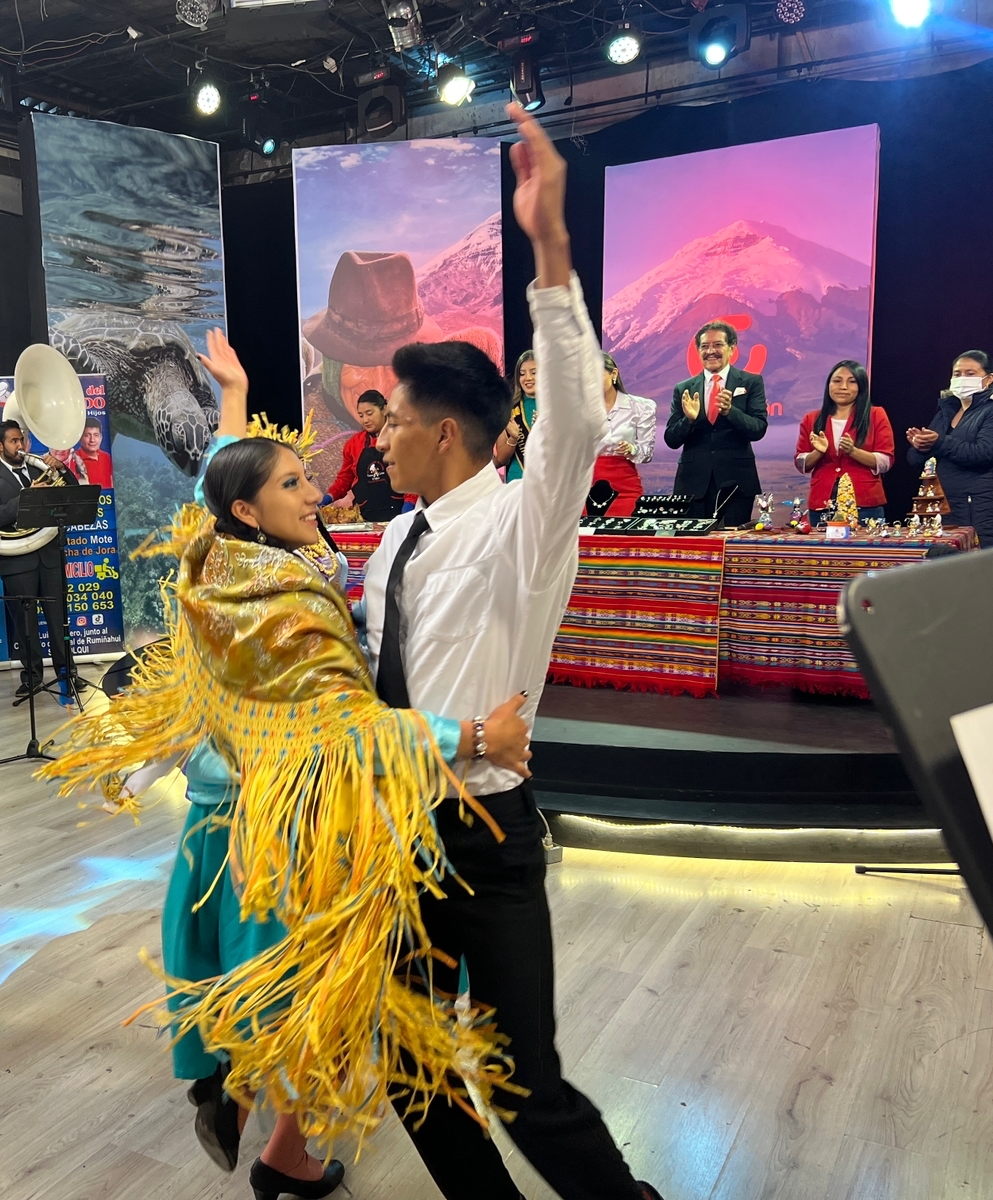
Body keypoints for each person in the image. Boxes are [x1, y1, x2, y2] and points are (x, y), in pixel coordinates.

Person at [41, 324, 535, 1198]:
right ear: (251, 510)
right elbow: (346, 730)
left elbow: (216, 487)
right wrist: (473, 739)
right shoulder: (281, 605)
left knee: (314, 991)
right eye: (295, 483)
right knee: (324, 994)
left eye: (310, 478)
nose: (318, 493)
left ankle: (279, 1148)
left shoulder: (224, 563)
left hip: (241, 816)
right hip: (281, 830)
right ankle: (246, 1107)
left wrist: (234, 404)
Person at [366, 101, 662, 1200]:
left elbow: (574, 427)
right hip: (396, 833)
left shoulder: (519, 530)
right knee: (407, 1058)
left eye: (394, 421)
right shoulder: (392, 539)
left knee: (520, 1081)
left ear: (445, 431)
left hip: (485, 835)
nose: (378, 437)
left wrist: (550, 250)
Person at [0, 419, 76, 701]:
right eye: (13, 441)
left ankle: (67, 674)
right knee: (25, 624)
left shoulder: (40, 469)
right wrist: (27, 496)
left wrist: (62, 469)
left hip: (49, 556)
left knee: (59, 620)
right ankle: (32, 678)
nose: (20, 445)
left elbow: (72, 494)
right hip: (17, 561)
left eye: (22, 440)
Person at [905, 350, 993, 548]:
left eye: (970, 373)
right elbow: (917, 460)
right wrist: (920, 446)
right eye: (957, 374)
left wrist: (939, 442)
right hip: (944, 508)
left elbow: (985, 453)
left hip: (983, 509)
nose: (962, 378)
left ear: (989, 379)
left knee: (981, 565)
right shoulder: (947, 411)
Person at [663, 320, 768, 527]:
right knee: (693, 544)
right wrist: (689, 420)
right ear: (698, 350)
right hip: (693, 483)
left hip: (736, 482)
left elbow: (758, 429)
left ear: (732, 348)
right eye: (705, 346)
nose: (711, 351)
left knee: (732, 542)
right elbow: (671, 439)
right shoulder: (683, 388)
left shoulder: (751, 382)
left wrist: (730, 412)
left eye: (718, 345)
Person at [794, 360, 893, 527]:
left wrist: (853, 451)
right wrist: (818, 452)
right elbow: (801, 463)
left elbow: (885, 462)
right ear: (828, 385)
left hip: (865, 503)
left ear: (861, 386)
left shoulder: (876, 415)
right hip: (822, 503)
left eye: (852, 381)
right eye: (837, 381)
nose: (843, 387)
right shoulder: (811, 419)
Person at [323, 388, 407, 520]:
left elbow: (412, 476)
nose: (365, 420)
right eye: (361, 415)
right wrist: (328, 497)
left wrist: (409, 506)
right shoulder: (353, 444)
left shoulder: (402, 439)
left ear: (384, 409)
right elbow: (345, 479)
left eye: (369, 413)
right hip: (365, 516)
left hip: (399, 513)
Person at [590, 353, 656, 516]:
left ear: (614, 373)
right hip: (586, 484)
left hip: (625, 486)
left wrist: (631, 449)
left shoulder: (641, 407)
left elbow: (647, 453)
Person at [493, 350, 537, 481]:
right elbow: (501, 459)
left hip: (547, 482)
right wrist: (513, 437)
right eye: (522, 374)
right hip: (517, 482)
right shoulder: (510, 408)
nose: (528, 378)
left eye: (534, 372)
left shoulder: (555, 408)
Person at [51, 417, 114, 487]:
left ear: (101, 437)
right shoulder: (73, 460)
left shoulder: (106, 457)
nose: (92, 440)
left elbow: (111, 482)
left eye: (96, 435)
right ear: (80, 438)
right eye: (87, 435)